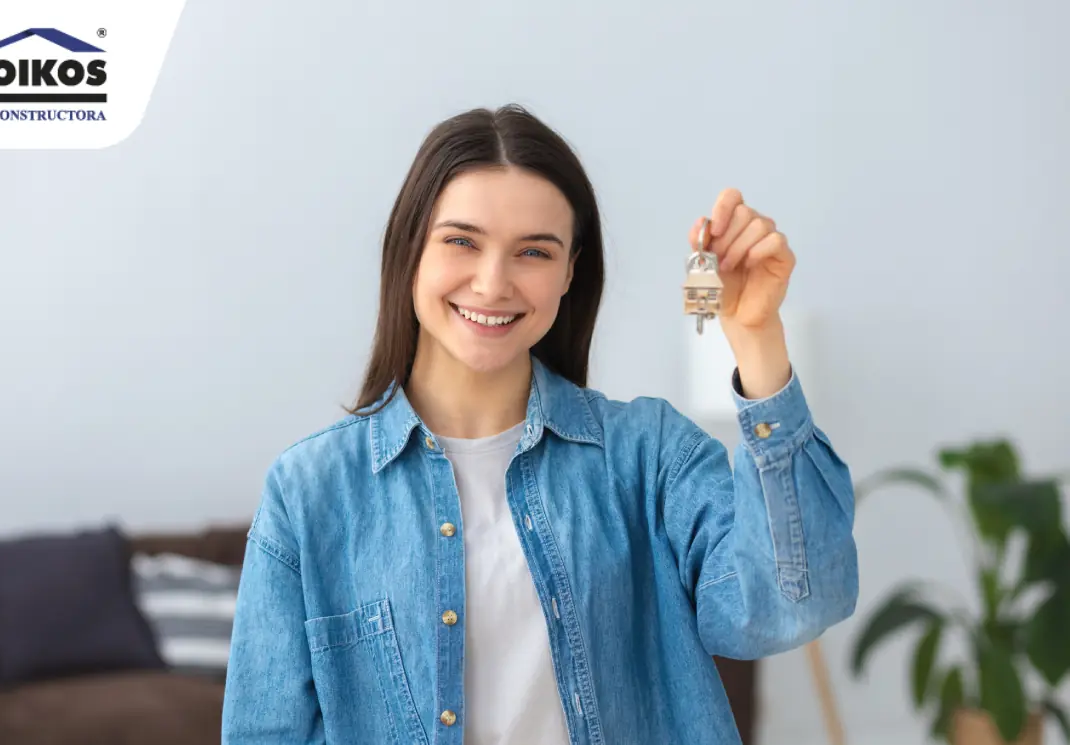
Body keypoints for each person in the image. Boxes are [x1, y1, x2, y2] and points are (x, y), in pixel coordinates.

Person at [221, 103, 858, 745]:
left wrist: (756, 341)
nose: (493, 283)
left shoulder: (649, 457)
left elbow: (782, 610)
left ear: (569, 272)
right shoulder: (309, 491)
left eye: (533, 251)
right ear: (411, 246)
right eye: (462, 241)